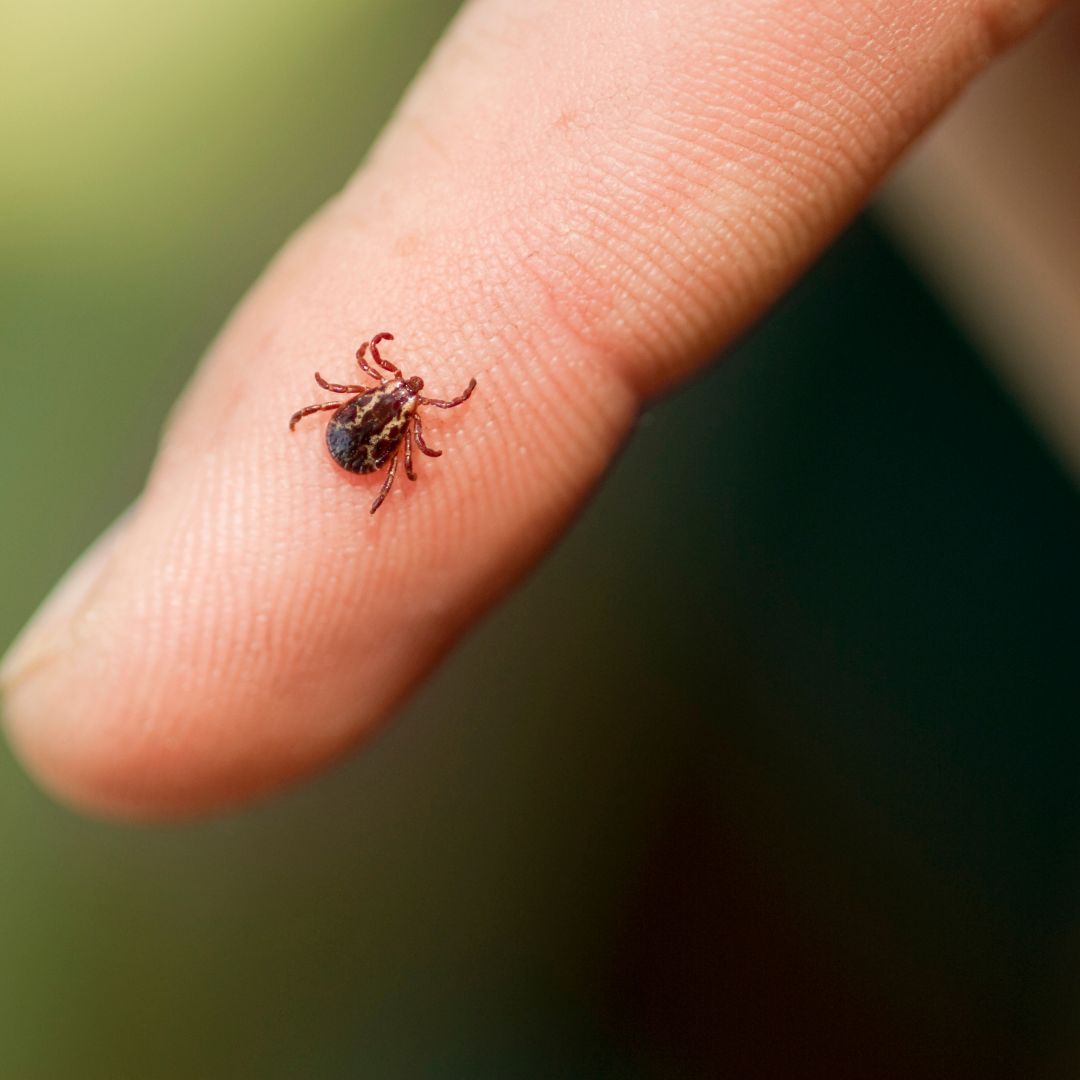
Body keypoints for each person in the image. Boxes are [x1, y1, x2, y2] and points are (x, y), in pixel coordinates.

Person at [0, 0, 1058, 817]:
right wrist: (386, 447)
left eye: (395, 395)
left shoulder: (379, 416)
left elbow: (362, 425)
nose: (397, 400)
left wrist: (375, 439)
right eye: (394, 391)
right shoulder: (394, 422)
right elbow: (380, 440)